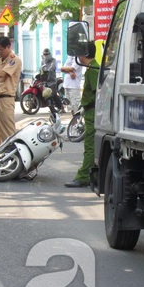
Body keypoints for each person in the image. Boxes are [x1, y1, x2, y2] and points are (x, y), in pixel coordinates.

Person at [65, 41, 98, 188]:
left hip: (93, 113)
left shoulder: (93, 70)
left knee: (90, 146)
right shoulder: (93, 67)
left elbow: (99, 93)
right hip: (91, 111)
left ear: (83, 54)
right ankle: (93, 175)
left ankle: (84, 176)